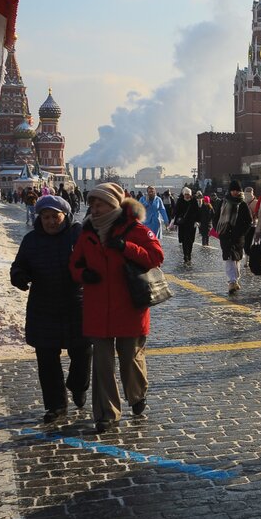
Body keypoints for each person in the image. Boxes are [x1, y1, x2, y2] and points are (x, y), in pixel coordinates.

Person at [69, 182, 164, 434]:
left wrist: (126, 247)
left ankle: (136, 394)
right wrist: (82, 274)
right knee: (102, 364)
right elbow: (74, 263)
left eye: (99, 203)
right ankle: (106, 414)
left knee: (130, 359)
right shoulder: (87, 231)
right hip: (97, 308)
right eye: (92, 203)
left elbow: (156, 257)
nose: (94, 208)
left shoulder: (134, 228)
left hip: (129, 308)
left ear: (112, 203)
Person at [10, 194, 92, 423]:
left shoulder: (78, 235)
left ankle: (79, 385)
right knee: (47, 359)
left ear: (64, 216)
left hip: (76, 304)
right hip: (43, 307)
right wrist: (19, 276)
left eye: (54, 216)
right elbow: (19, 265)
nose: (50, 221)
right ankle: (55, 406)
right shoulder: (31, 240)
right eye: (45, 217)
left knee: (83, 351)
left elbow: (94, 259)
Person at [217, 180, 253, 294]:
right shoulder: (223, 202)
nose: (235, 192)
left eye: (237, 190)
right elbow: (216, 217)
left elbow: (248, 221)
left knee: (236, 258)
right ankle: (231, 282)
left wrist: (241, 232)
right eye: (233, 190)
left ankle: (235, 279)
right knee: (228, 258)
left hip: (237, 236)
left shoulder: (242, 204)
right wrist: (219, 230)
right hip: (225, 234)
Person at [171, 187, 200, 263]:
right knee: (184, 240)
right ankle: (185, 255)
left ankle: (189, 254)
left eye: (188, 194)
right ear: (184, 194)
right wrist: (174, 220)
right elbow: (176, 211)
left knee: (190, 240)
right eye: (186, 194)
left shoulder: (194, 201)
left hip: (191, 224)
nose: (187, 196)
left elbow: (197, 211)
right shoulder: (180, 200)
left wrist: (197, 221)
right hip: (183, 224)